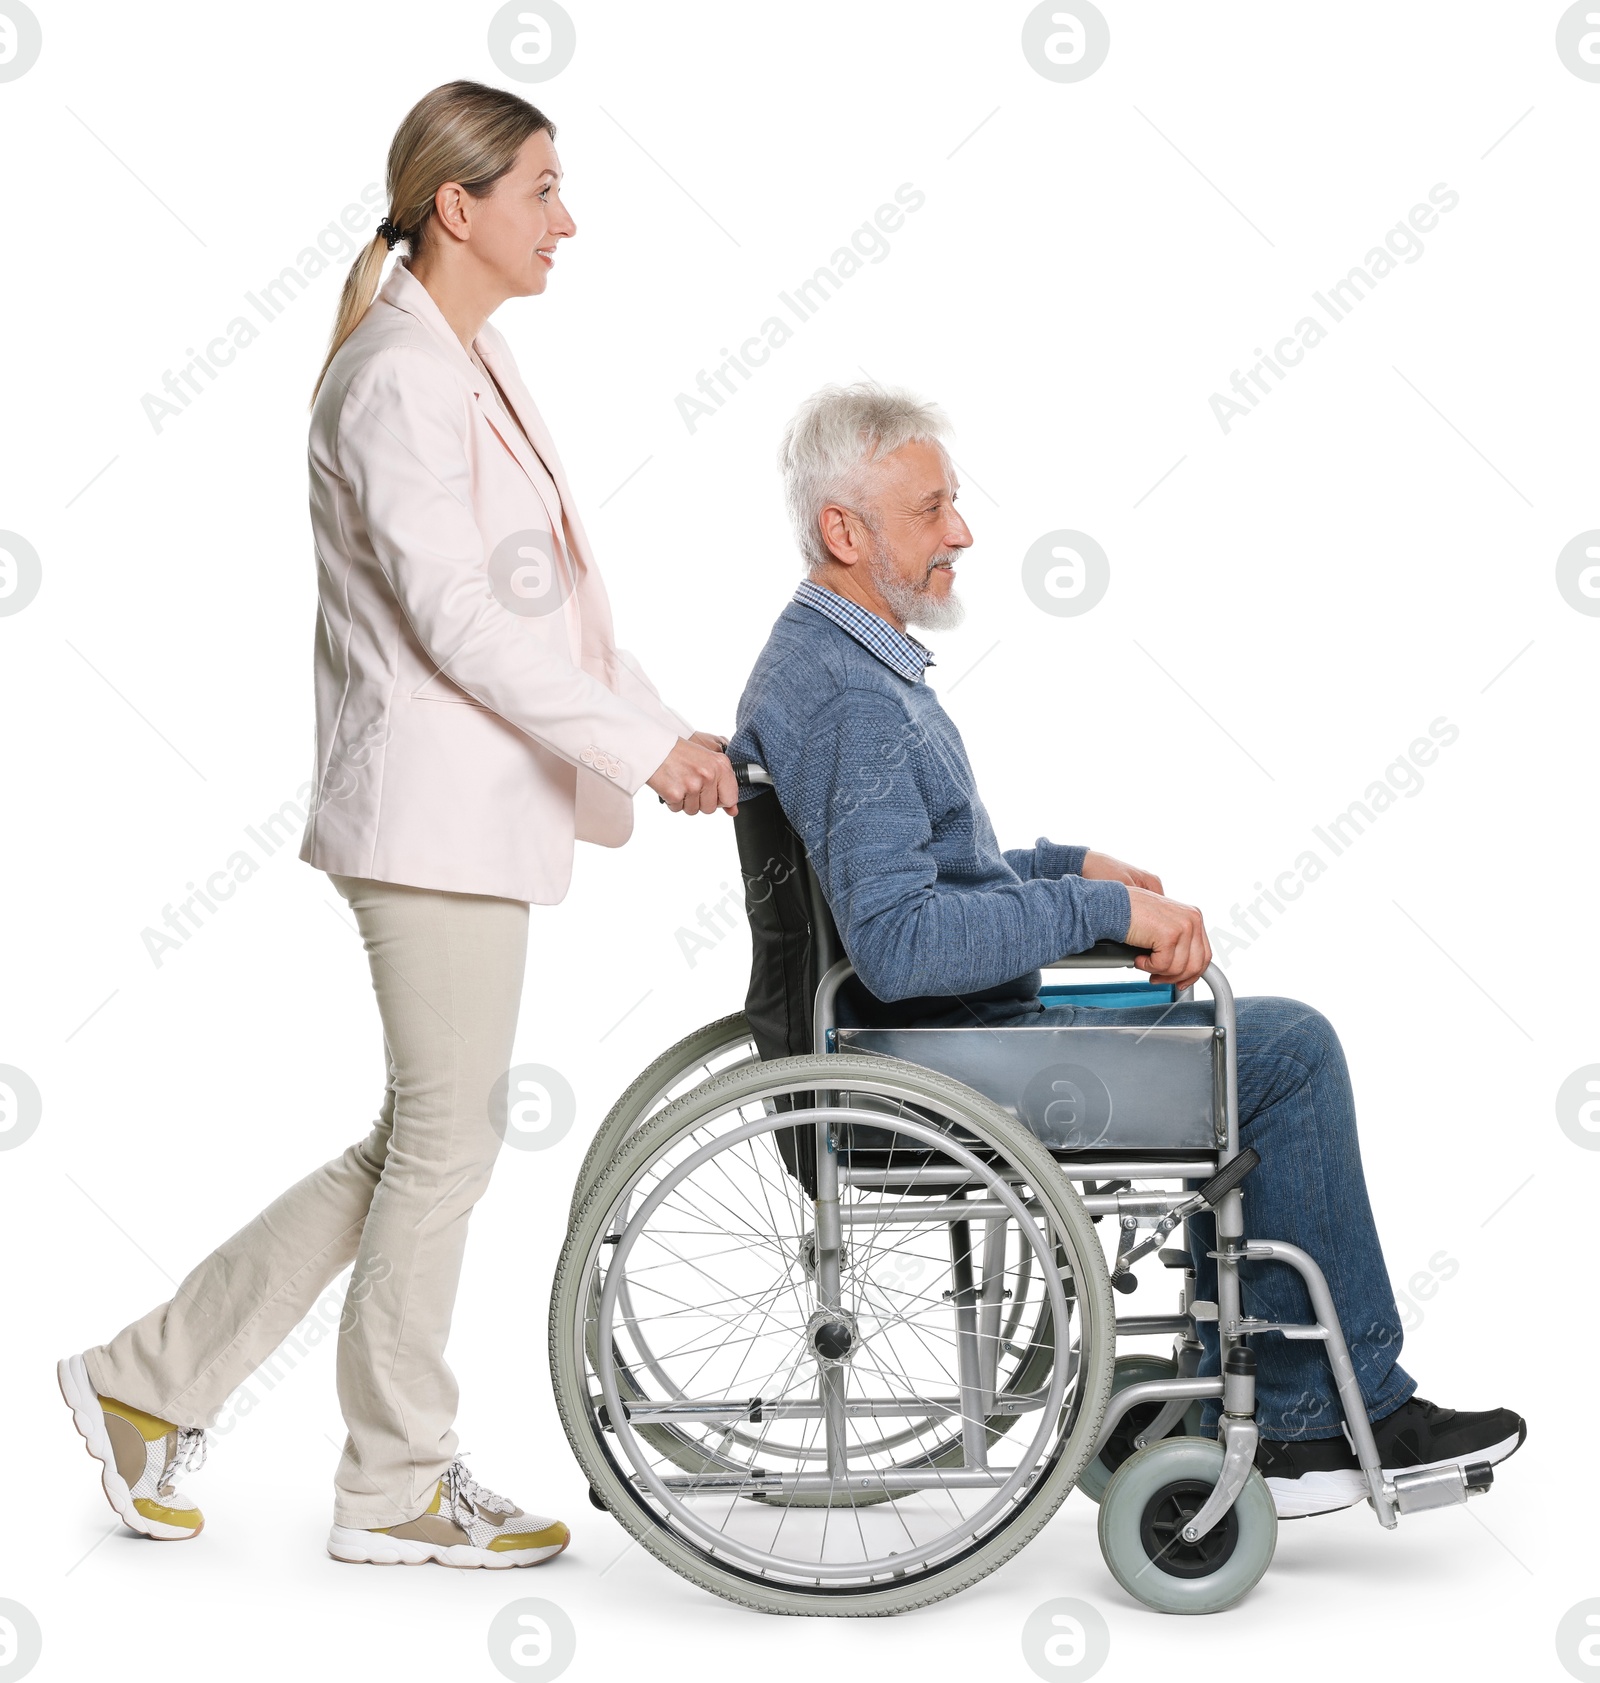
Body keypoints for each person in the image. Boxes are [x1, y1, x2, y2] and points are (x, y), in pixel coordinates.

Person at [57, 80, 737, 1568]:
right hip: (427, 817)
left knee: (420, 1140)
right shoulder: (397, 379)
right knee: (444, 1143)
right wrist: (644, 744)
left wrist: (681, 734)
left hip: (468, 815)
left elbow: (548, 616)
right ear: (459, 207)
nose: (569, 221)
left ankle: (145, 1377)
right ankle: (393, 1479)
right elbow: (460, 628)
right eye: (545, 191)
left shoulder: (463, 364)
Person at [727, 381, 1524, 1518]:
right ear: (844, 531)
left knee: (1241, 1043)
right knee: (1284, 1051)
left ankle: (1267, 1391)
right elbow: (902, 943)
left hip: (940, 1042)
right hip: (935, 1062)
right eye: (931, 509)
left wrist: (1070, 863)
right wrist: (1096, 917)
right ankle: (1307, 1424)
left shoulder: (842, 661)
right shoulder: (847, 693)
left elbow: (932, 878)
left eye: (953, 504)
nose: (960, 532)